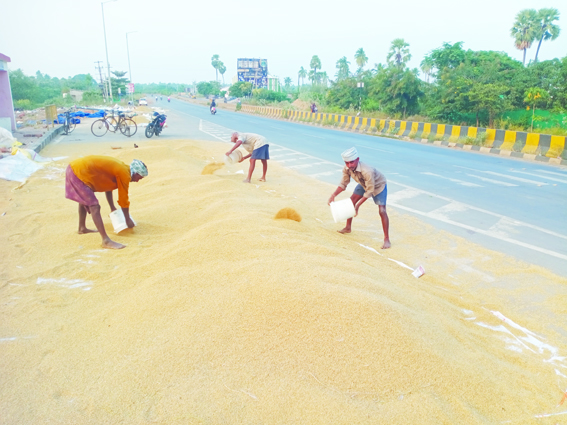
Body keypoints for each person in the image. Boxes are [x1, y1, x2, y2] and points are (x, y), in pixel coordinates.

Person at [65, 156, 148, 250]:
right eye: (139, 178)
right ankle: (106, 240)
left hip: (74, 168)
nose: (137, 181)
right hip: (78, 172)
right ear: (136, 173)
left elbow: (108, 187)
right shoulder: (125, 173)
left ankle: (82, 228)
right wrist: (127, 219)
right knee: (94, 206)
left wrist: (112, 207)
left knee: (85, 199)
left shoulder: (123, 169)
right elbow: (123, 199)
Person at [327, 147, 391, 249]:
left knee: (382, 211)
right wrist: (333, 195)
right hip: (363, 183)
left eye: (351, 162)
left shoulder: (367, 171)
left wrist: (358, 206)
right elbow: (343, 184)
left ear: (357, 159)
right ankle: (348, 227)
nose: (349, 165)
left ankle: (386, 239)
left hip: (378, 185)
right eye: (346, 163)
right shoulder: (347, 168)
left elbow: (370, 191)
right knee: (351, 202)